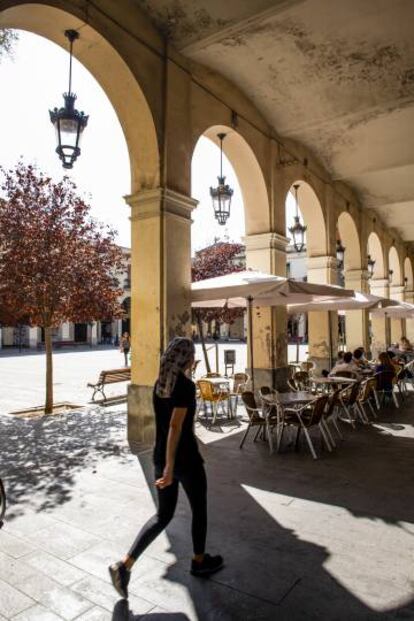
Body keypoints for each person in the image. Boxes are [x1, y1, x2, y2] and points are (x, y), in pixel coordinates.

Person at [109, 337, 223, 599]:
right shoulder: (184, 386)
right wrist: (172, 467)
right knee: (199, 509)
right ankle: (198, 560)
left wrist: (165, 464)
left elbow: (165, 427)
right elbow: (175, 427)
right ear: (187, 359)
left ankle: (124, 566)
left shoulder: (159, 386)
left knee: (163, 516)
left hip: (159, 457)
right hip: (185, 460)